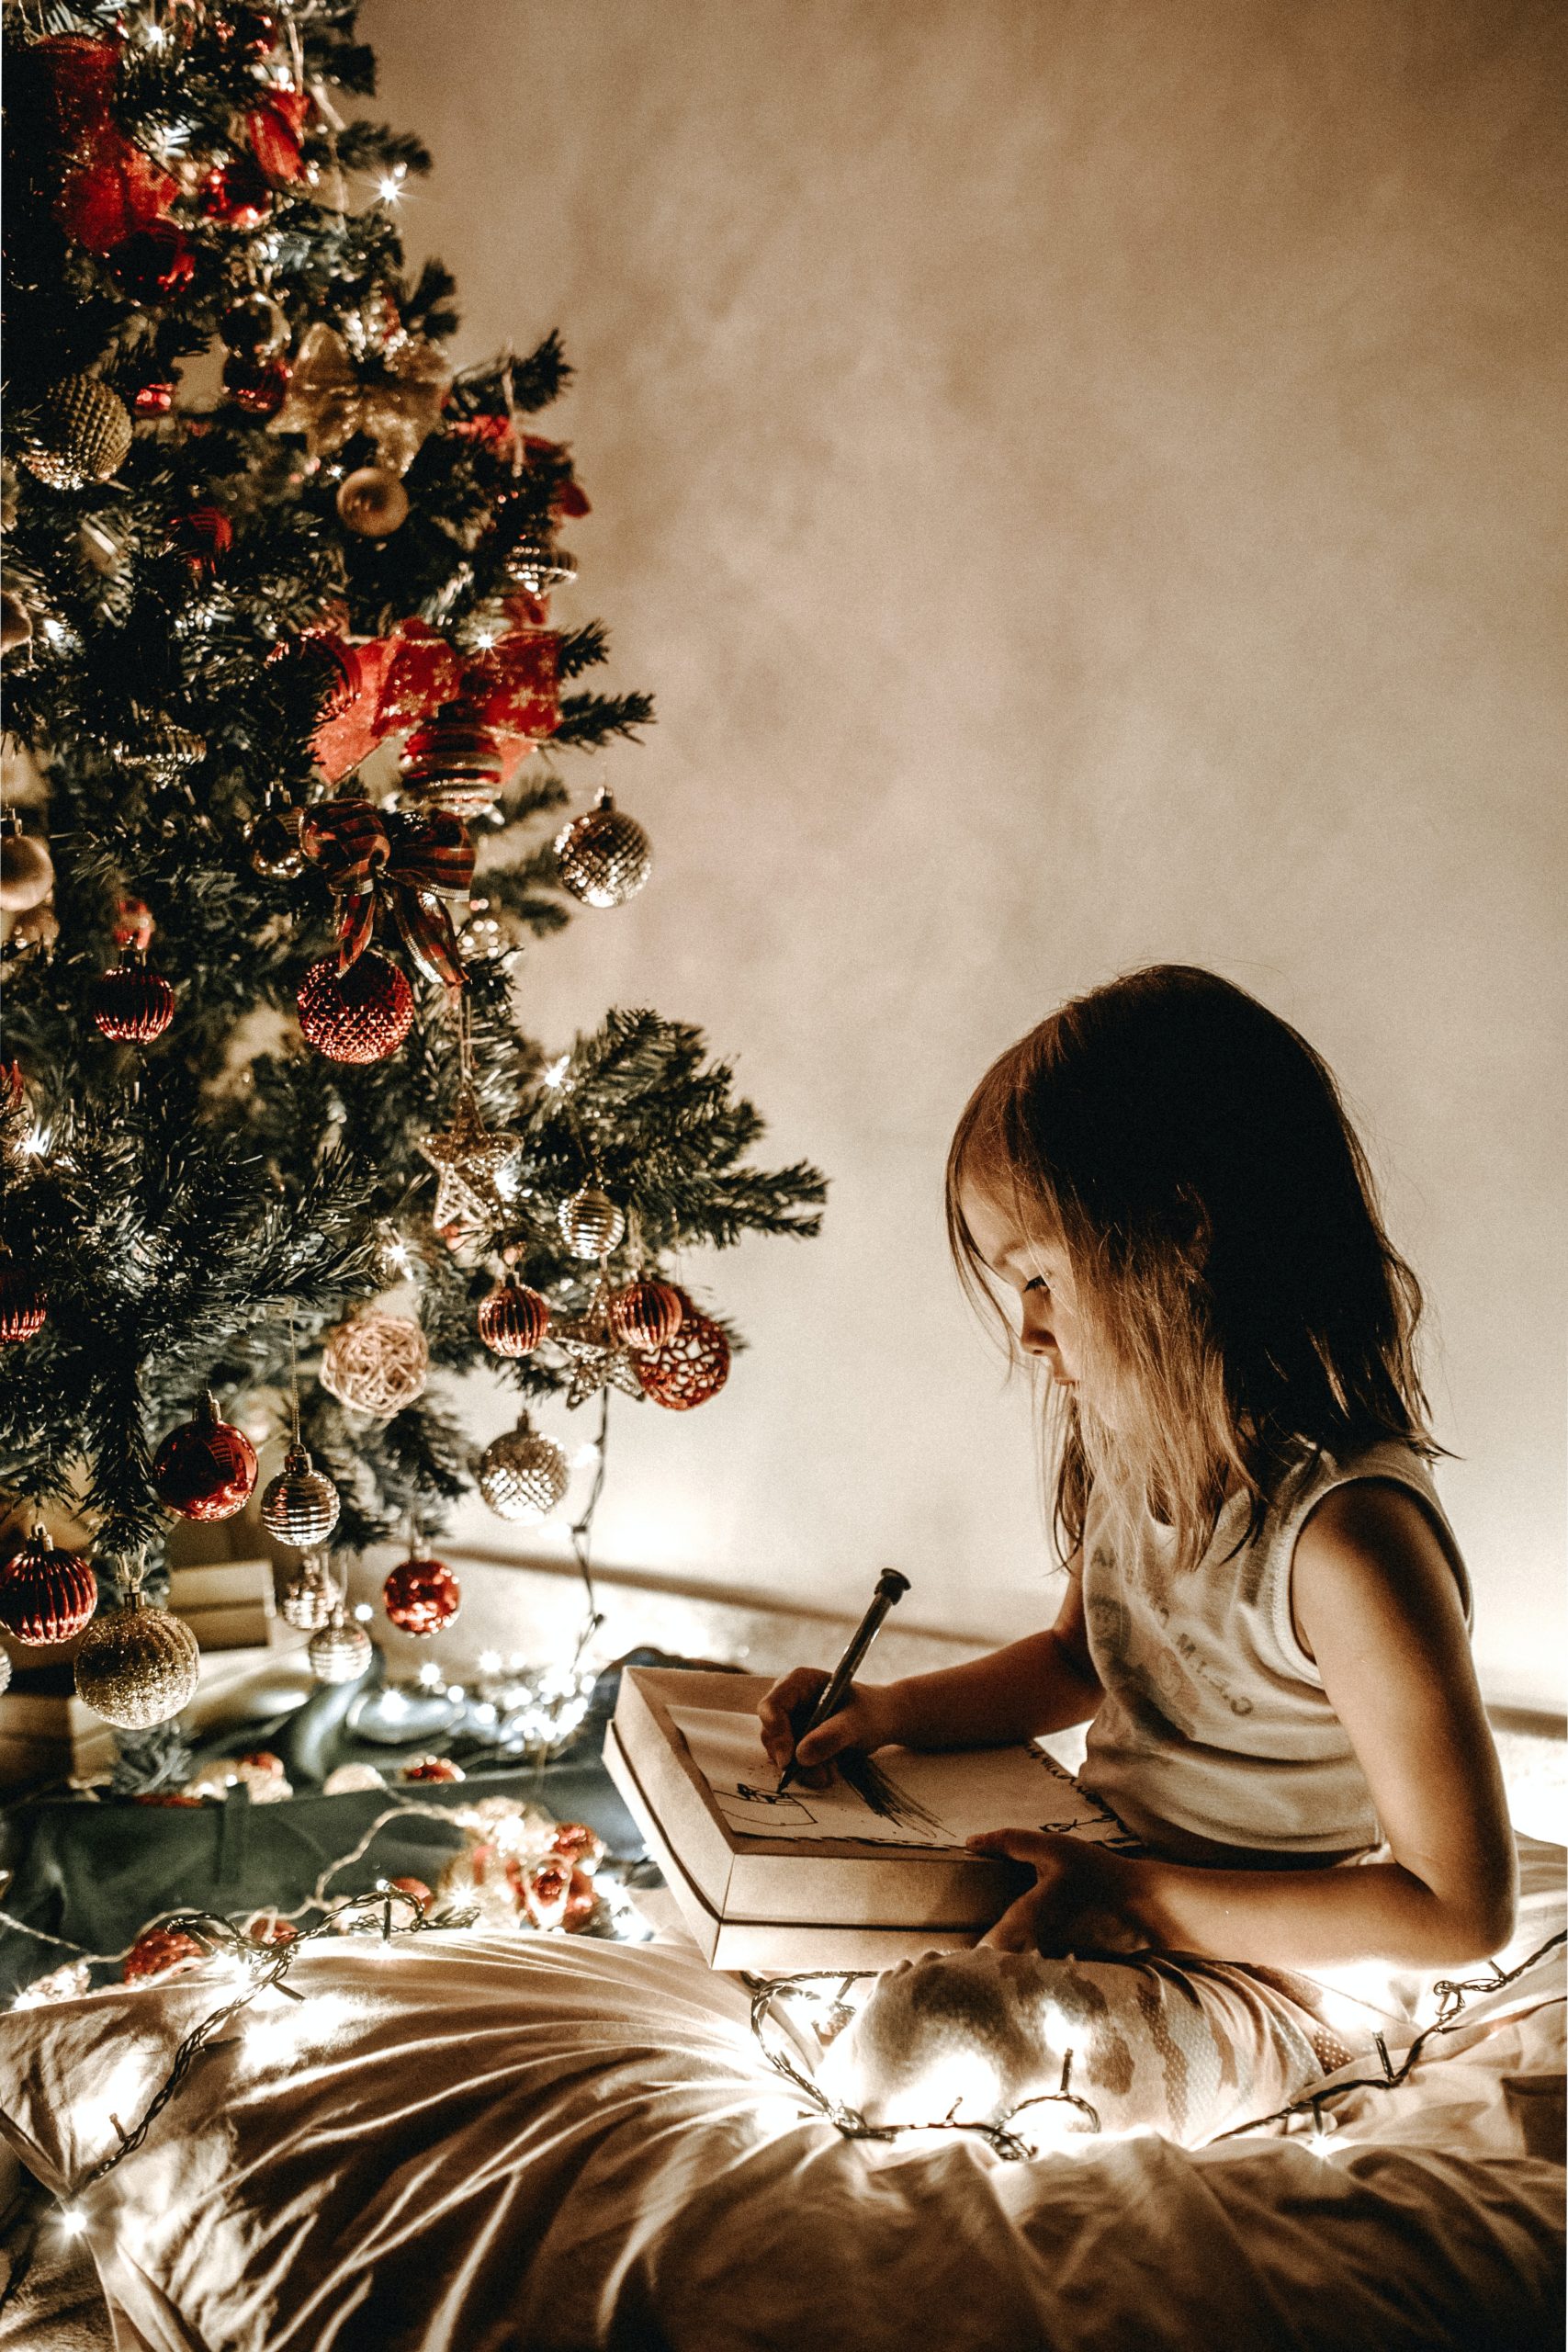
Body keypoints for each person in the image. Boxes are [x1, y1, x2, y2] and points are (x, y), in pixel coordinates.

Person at [760, 965, 1516, 1981]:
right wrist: (890, 1712)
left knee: (932, 2033)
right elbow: (1079, 1661)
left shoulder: (1346, 1540)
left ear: (1182, 1235)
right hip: (1106, 1885)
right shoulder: (1134, 1450)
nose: (1027, 1329)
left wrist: (1143, 1902)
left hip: (1259, 1957)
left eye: (1040, 1277)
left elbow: (1460, 1911)